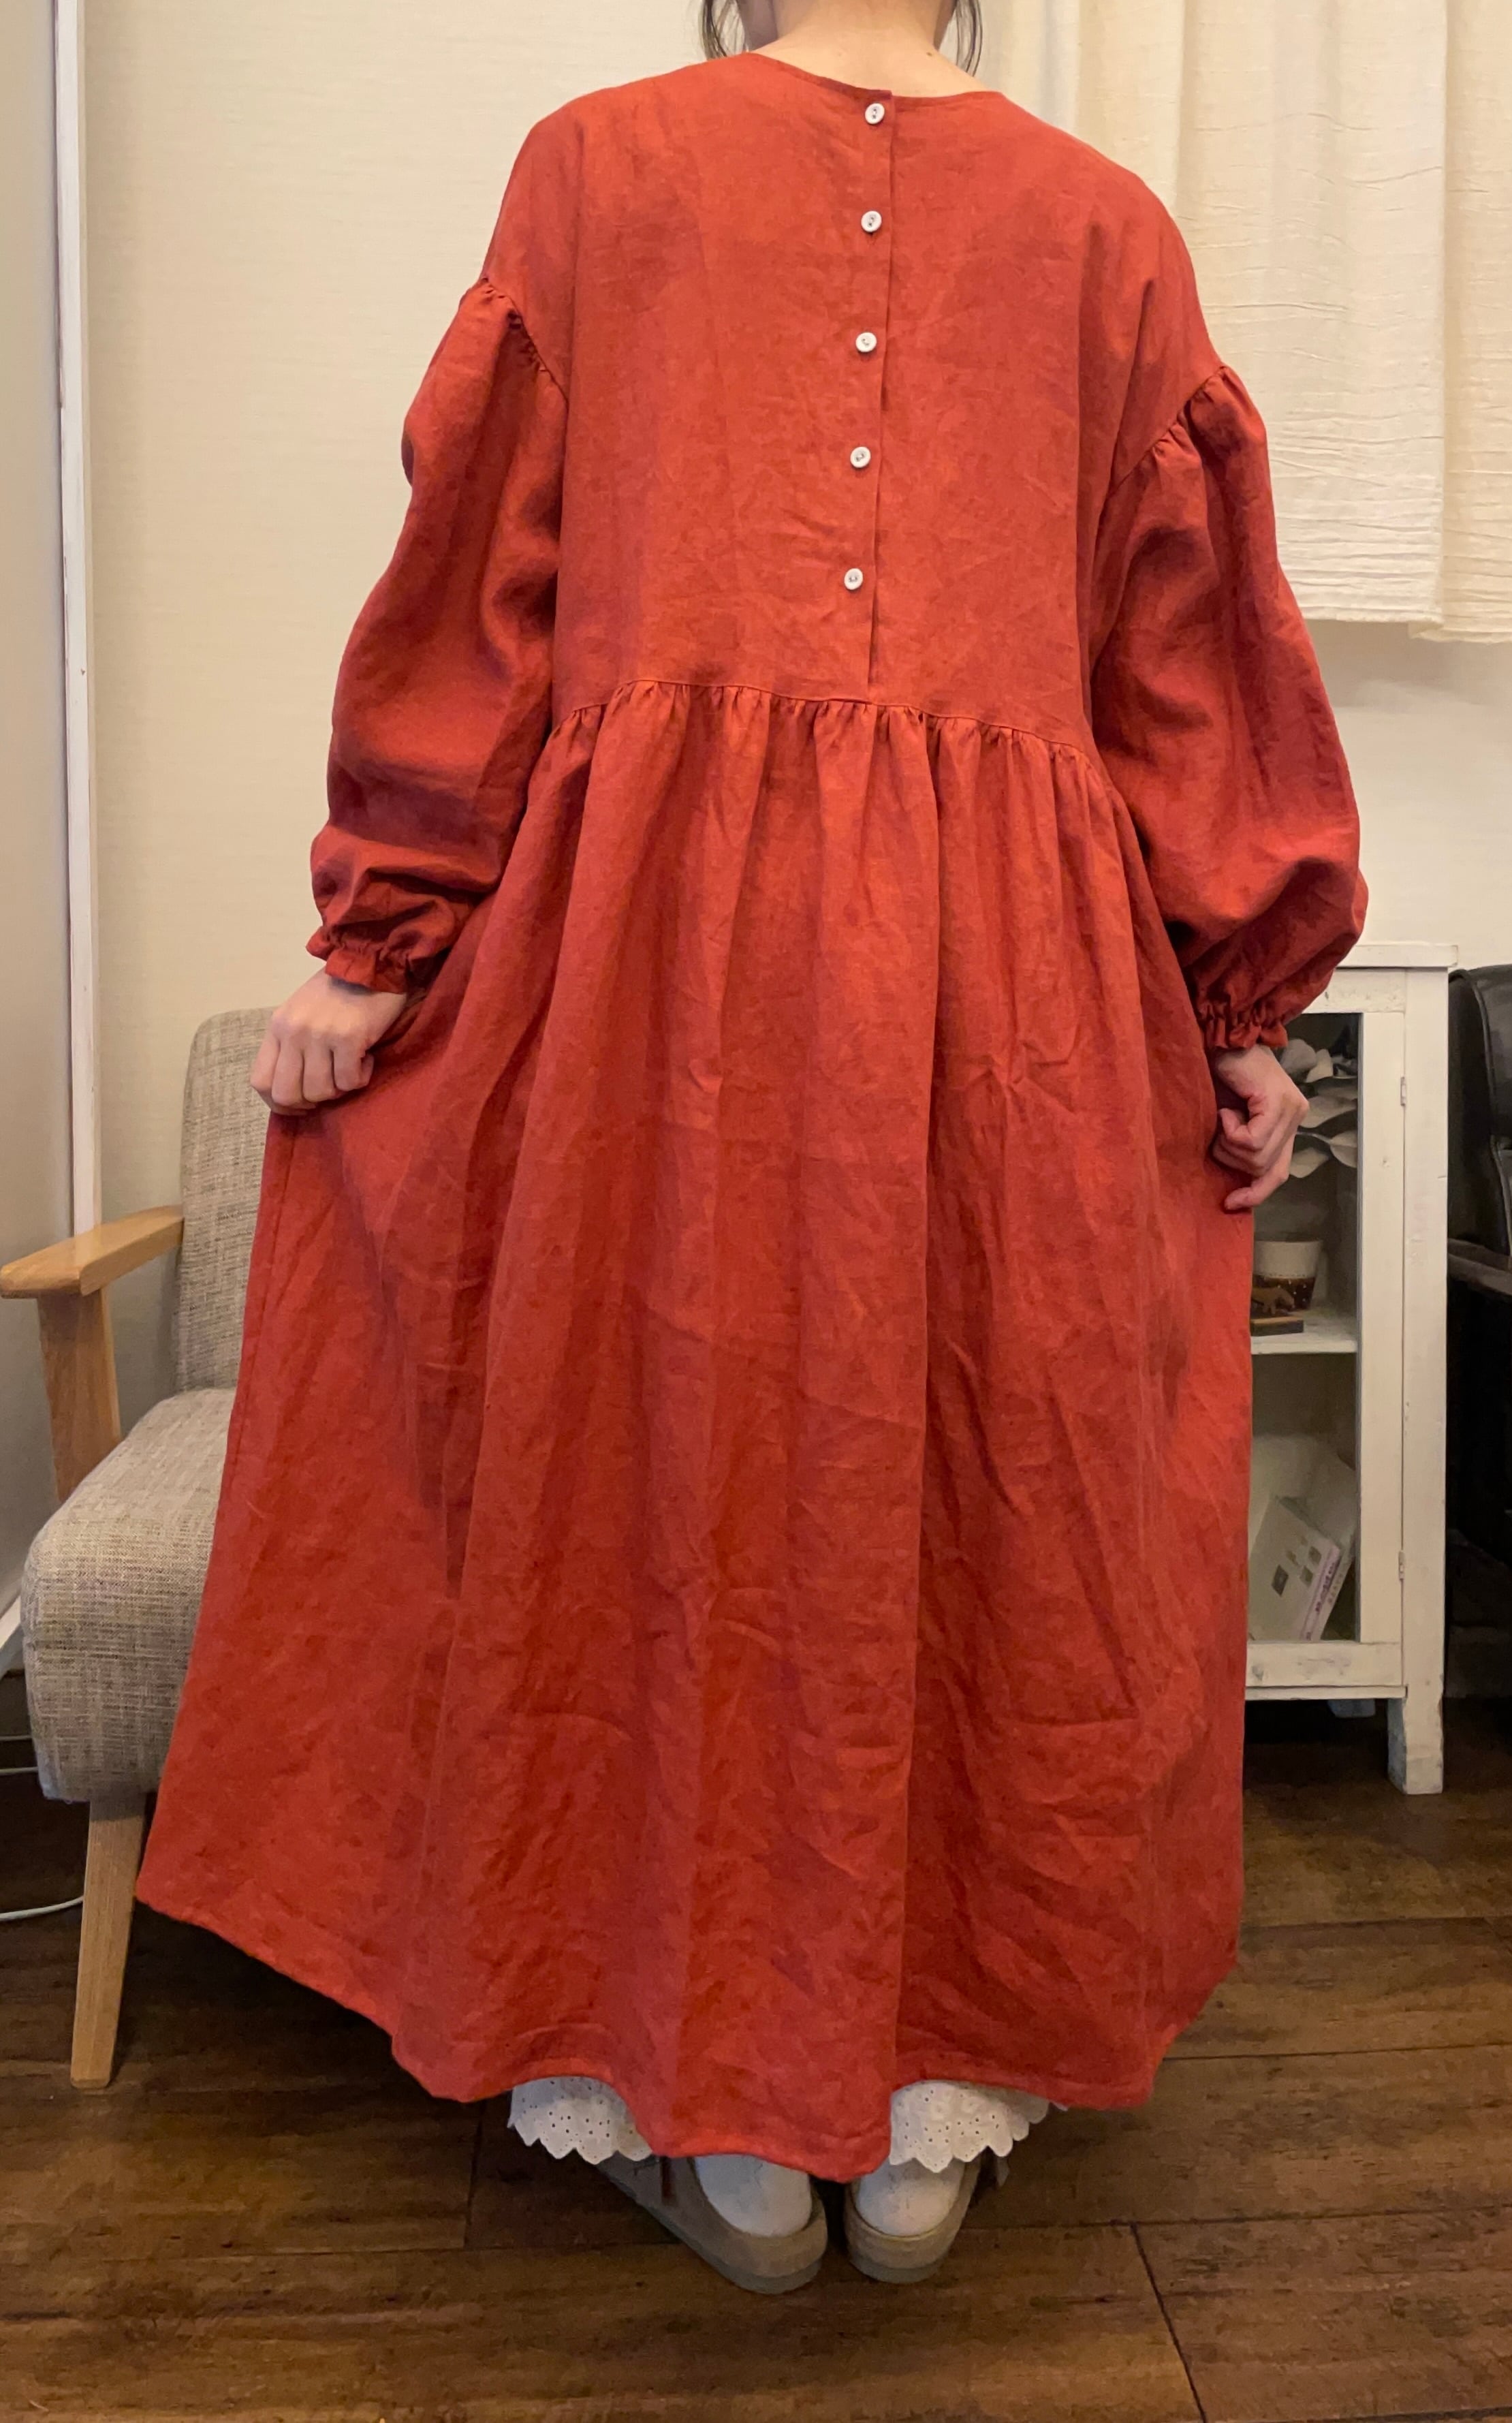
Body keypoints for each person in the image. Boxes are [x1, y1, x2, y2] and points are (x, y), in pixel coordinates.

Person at [136, 0, 1364, 2294]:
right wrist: (1233, 999)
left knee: (650, 1498)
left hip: (651, 962)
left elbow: (478, 590)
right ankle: (911, 2111)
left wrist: (381, 947)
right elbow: (1185, 662)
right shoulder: (1104, 226)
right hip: (1003, 991)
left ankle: (715, 2103)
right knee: (978, 1505)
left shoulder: (598, 162)